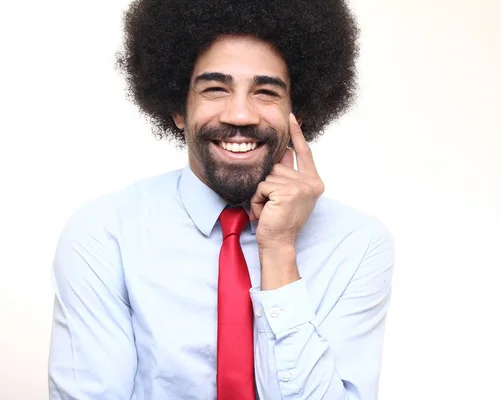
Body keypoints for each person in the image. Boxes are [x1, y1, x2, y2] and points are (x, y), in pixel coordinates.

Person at [48, 0, 395, 399]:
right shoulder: (105, 235)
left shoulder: (359, 244)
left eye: (266, 92)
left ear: (295, 112)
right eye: (215, 89)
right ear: (179, 107)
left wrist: (279, 251)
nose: (241, 114)